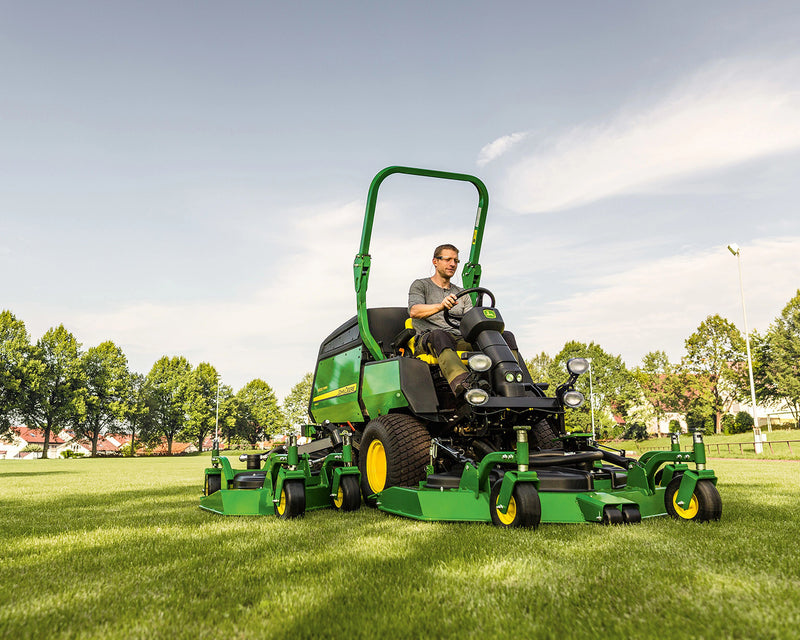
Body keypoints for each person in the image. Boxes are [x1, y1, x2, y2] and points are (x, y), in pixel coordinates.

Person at [408, 243, 524, 400]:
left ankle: (514, 381)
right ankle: (463, 383)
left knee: (506, 336)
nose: (452, 264)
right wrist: (441, 306)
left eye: (456, 261)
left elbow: (469, 322)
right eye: (448, 259)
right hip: (429, 340)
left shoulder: (461, 293)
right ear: (435, 261)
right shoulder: (421, 285)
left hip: (459, 338)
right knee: (440, 335)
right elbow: (414, 311)